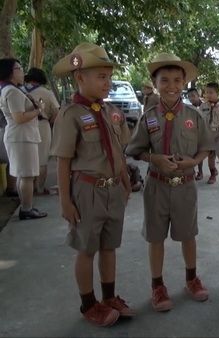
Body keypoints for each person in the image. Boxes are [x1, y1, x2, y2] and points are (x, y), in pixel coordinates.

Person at [50, 42, 134, 326]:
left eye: (109, 77)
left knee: (109, 246)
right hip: (87, 190)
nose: (107, 83)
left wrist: (124, 183)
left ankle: (109, 297)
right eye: (101, 77)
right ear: (80, 78)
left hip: (113, 190)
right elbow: (63, 160)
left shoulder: (112, 112)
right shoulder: (70, 114)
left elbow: (118, 152)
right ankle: (89, 304)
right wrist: (65, 201)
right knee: (87, 248)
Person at [125, 52, 213, 312]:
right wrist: (155, 158)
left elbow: (206, 148)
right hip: (157, 185)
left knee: (188, 235)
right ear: (155, 83)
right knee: (156, 237)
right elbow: (134, 150)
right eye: (165, 80)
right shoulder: (149, 117)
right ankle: (157, 286)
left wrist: (193, 162)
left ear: (184, 82)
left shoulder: (194, 116)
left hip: (185, 185)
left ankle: (191, 279)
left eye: (177, 80)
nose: (171, 86)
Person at [0, 58, 47, 219]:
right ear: (10, 73)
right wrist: (38, 110)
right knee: (26, 175)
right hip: (21, 137)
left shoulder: (14, 89)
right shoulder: (11, 91)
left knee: (23, 174)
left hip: (22, 136)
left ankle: (26, 206)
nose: (22, 72)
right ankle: (26, 208)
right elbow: (19, 117)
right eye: (18, 68)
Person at [23, 67, 60, 195]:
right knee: (42, 159)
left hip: (23, 125)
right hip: (41, 125)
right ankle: (39, 188)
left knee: (26, 158)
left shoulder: (19, 90)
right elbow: (56, 112)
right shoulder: (46, 92)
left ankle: (27, 187)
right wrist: (49, 121)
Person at [186, 87, 205, 180]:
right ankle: (196, 172)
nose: (191, 98)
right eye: (189, 97)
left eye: (193, 96)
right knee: (195, 153)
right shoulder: (189, 108)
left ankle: (210, 173)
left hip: (205, 134)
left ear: (198, 95)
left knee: (208, 156)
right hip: (194, 134)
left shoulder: (206, 106)